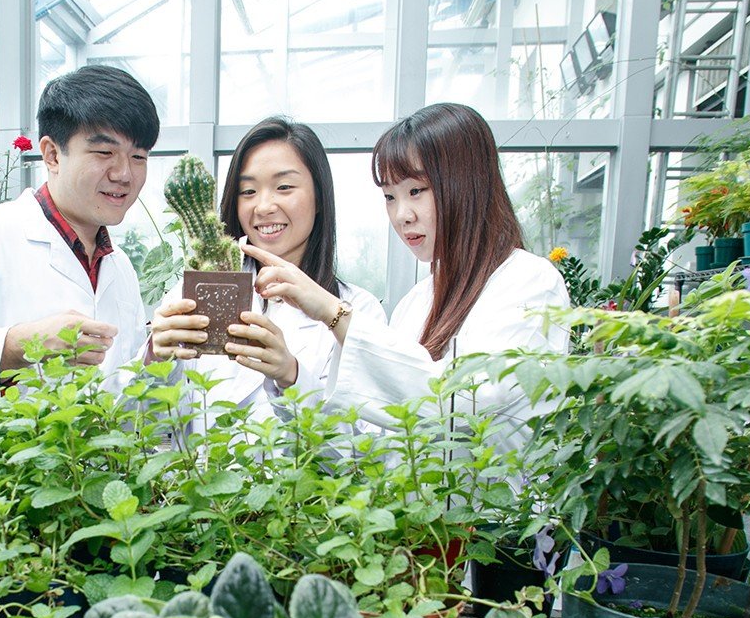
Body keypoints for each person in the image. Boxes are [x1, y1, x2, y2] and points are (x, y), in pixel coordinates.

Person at [237, 102, 569, 453]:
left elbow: (466, 406)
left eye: (416, 192)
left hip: (492, 506)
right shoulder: (414, 303)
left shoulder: (529, 281)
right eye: (389, 197)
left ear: (469, 183)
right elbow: (370, 450)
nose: (401, 215)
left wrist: (332, 312)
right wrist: (291, 375)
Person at [0, 65, 158, 403]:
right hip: (7, 454)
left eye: (138, 156)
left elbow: (124, 385)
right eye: (104, 152)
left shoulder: (120, 267)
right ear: (52, 154)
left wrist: (159, 352)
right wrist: (18, 345)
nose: (124, 174)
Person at [146, 117, 384, 425]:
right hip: (207, 475)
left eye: (284, 187)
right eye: (248, 191)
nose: (264, 206)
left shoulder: (357, 311)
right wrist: (156, 356)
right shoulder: (193, 293)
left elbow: (360, 450)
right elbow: (149, 422)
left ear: (319, 197)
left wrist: (290, 375)